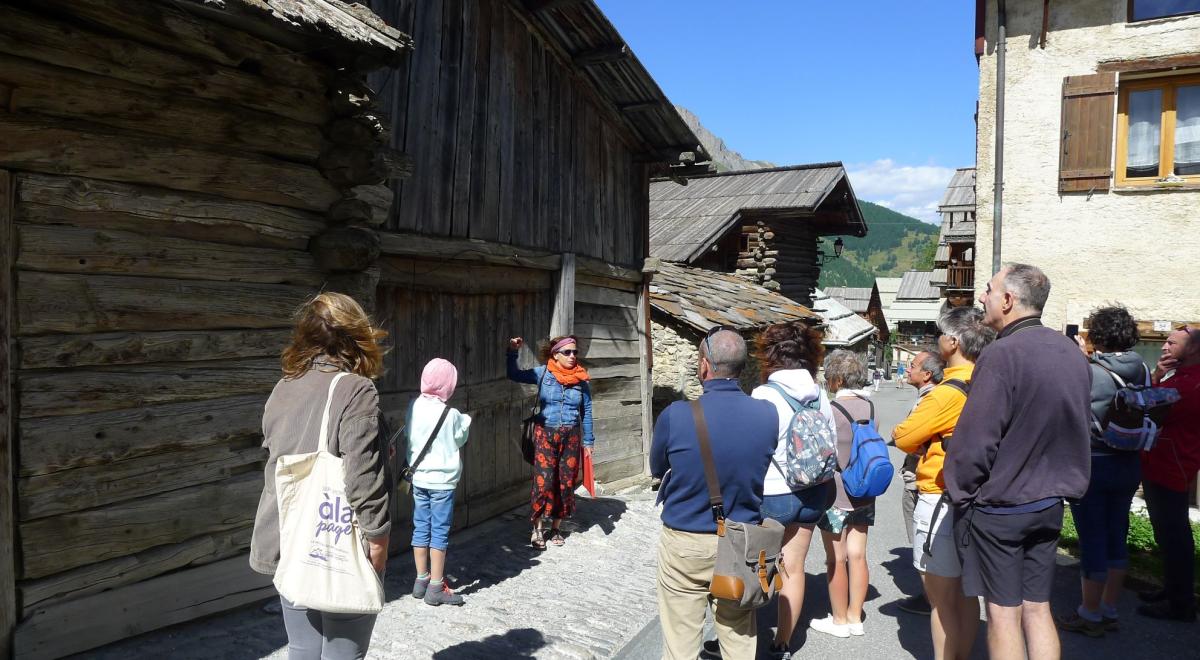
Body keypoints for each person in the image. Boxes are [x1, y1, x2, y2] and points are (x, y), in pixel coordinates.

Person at [946, 264, 1091, 660]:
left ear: (1008, 300)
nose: (982, 297)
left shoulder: (1001, 354)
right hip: (1050, 501)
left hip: (1002, 506)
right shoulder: (1071, 351)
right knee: (1038, 608)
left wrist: (961, 493)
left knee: (1003, 613)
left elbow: (975, 441)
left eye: (988, 290)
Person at [250, 292, 391, 660]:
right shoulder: (356, 390)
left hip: (290, 537)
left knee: (302, 649)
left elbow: (275, 466)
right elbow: (363, 479)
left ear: (306, 334)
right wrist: (378, 541)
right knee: (343, 654)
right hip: (339, 541)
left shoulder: (284, 387)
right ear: (358, 336)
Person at [650, 328, 778, 660]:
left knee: (680, 641)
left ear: (705, 365)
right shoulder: (767, 414)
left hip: (686, 540)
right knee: (738, 636)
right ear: (742, 366)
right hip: (741, 541)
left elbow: (657, 467)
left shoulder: (676, 415)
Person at [893, 307, 995, 660]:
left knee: (940, 599)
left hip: (940, 496)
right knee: (967, 592)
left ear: (952, 342)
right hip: (977, 495)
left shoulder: (945, 393)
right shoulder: (989, 382)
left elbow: (904, 436)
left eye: (940, 334)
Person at [1055, 306, 1147, 635]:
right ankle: (1108, 608)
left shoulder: (1091, 372)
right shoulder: (1142, 368)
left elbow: (1070, 412)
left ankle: (1089, 613)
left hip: (1094, 461)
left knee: (1093, 537)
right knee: (1116, 533)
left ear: (1096, 335)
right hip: (1129, 461)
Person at [750, 320, 838, 659]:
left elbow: (754, 450)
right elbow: (830, 443)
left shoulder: (764, 395)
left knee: (756, 565)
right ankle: (783, 642)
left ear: (770, 354)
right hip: (813, 491)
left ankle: (744, 638)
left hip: (773, 493)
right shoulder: (820, 395)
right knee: (794, 566)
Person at [810, 349, 877, 639]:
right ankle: (855, 617)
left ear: (837, 379)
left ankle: (839, 621)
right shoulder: (871, 407)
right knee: (858, 555)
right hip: (864, 491)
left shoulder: (831, 409)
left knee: (835, 559)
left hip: (835, 493)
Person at [507, 335, 594, 549]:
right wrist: (512, 351)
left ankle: (556, 527)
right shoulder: (543, 373)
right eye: (567, 352)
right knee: (543, 482)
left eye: (575, 352)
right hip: (545, 434)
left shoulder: (581, 379)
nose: (572, 356)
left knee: (565, 483)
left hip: (571, 436)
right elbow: (513, 374)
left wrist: (589, 441)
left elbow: (587, 410)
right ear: (555, 354)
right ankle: (537, 528)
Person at [1139, 325, 1200, 621]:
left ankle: (1180, 602)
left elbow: (1145, 405)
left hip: (1171, 467)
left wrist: (1155, 376)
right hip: (1163, 463)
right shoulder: (1183, 377)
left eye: (1172, 343)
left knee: (1174, 536)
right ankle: (1173, 590)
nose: (1164, 347)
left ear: (1193, 349)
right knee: (1167, 534)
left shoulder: (1190, 383)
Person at [408, 358, 472, 607]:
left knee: (421, 528)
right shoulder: (452, 414)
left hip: (419, 478)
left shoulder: (414, 406)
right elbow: (459, 439)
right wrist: (466, 422)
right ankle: (436, 587)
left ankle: (420, 579)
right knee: (439, 533)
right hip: (442, 482)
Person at [896, 350, 945, 616]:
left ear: (927, 374)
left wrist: (900, 436)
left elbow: (910, 438)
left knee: (922, 540)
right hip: (926, 477)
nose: (907, 368)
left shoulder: (930, 400)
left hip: (920, 478)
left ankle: (932, 599)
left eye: (912, 365)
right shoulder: (939, 396)